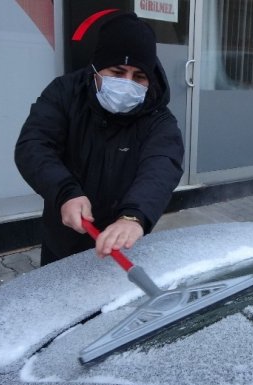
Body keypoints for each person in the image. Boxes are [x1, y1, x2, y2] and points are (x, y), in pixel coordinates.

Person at [15, 12, 184, 265]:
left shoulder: (158, 118)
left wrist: (134, 216)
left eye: (139, 77)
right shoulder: (64, 93)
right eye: (117, 72)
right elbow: (34, 145)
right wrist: (65, 193)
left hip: (122, 241)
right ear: (96, 68)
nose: (127, 83)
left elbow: (162, 164)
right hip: (64, 235)